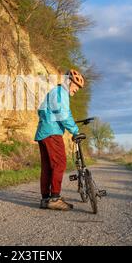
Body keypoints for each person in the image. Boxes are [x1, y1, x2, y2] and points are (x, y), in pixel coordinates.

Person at [34, 69, 85, 210]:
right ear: (69, 81)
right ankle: (55, 199)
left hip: (43, 132)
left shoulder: (56, 92)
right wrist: (75, 131)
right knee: (60, 163)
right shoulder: (61, 93)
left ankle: (45, 199)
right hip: (52, 133)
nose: (77, 90)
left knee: (47, 167)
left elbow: (62, 112)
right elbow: (63, 115)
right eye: (76, 86)